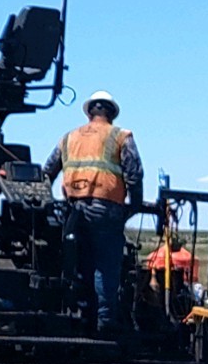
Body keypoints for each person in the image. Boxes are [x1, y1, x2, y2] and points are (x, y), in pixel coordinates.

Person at [44, 90, 143, 336]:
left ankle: (81, 318)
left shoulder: (69, 138)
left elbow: (47, 172)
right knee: (106, 265)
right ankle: (105, 323)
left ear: (90, 112)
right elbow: (134, 173)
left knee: (79, 263)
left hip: (72, 210)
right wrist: (134, 206)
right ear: (111, 113)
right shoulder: (120, 136)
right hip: (106, 209)